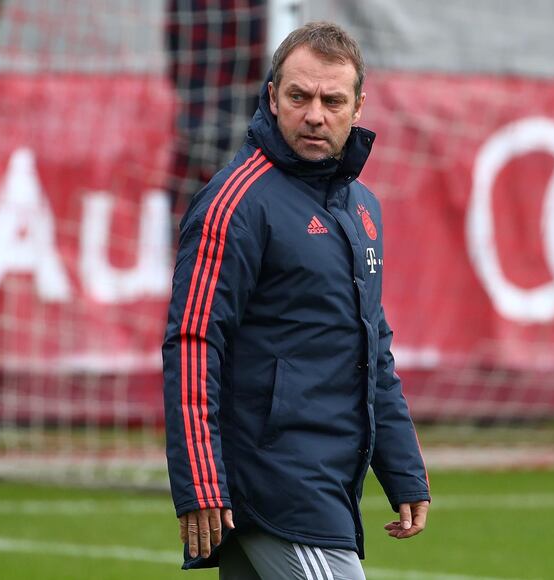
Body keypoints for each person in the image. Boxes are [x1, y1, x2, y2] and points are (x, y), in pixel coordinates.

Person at [162, 21, 430, 579]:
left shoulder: (361, 208)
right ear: (272, 97)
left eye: (332, 100)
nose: (314, 114)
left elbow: (372, 350)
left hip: (326, 482)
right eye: (299, 96)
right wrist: (202, 483)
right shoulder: (235, 202)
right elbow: (192, 344)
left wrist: (402, 470)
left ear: (358, 107)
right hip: (276, 487)